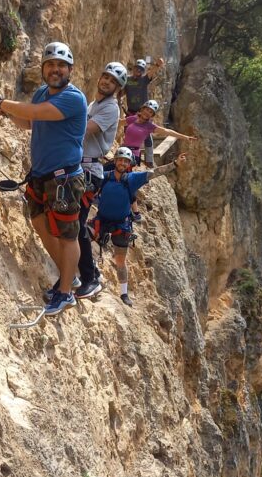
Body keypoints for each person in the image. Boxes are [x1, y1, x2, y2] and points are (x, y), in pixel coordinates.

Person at [0, 42, 87, 317]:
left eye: (61, 65)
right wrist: (7, 113)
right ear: (43, 69)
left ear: (70, 70)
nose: (55, 70)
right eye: (50, 65)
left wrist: (1, 103)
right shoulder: (41, 93)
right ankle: (68, 277)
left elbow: (37, 113)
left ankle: (66, 293)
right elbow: (29, 122)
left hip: (65, 179)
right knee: (39, 223)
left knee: (67, 235)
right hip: (42, 175)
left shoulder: (74, 98)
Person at [91, 147, 187, 306]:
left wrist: (175, 164)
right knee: (85, 240)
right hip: (102, 220)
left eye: (125, 161)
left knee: (120, 260)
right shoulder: (104, 176)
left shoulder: (133, 178)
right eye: (120, 160)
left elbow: (155, 172)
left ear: (129, 164)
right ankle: (93, 274)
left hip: (121, 224)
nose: (122, 163)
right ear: (115, 161)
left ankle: (124, 293)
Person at [72, 61, 127, 301]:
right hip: (80, 165)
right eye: (105, 77)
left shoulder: (111, 108)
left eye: (113, 81)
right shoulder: (94, 104)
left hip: (89, 170)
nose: (106, 82)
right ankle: (84, 272)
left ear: (118, 88)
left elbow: (85, 129)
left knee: (77, 223)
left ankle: (90, 278)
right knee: (72, 222)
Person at [120, 99, 196, 220]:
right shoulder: (133, 119)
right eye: (146, 109)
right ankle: (134, 211)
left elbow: (167, 131)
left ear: (152, 115)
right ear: (142, 109)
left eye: (150, 112)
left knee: (125, 180)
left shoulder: (149, 126)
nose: (147, 113)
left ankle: (134, 211)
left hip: (133, 155)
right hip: (122, 151)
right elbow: (118, 122)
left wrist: (185, 137)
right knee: (122, 179)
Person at [119, 56, 165, 167]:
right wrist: (118, 98)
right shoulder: (127, 80)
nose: (138, 71)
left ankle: (149, 160)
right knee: (128, 134)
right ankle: (126, 157)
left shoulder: (144, 80)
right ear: (133, 68)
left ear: (143, 71)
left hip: (143, 114)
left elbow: (151, 72)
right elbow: (122, 92)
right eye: (137, 68)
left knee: (147, 137)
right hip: (131, 112)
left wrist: (157, 65)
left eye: (141, 69)